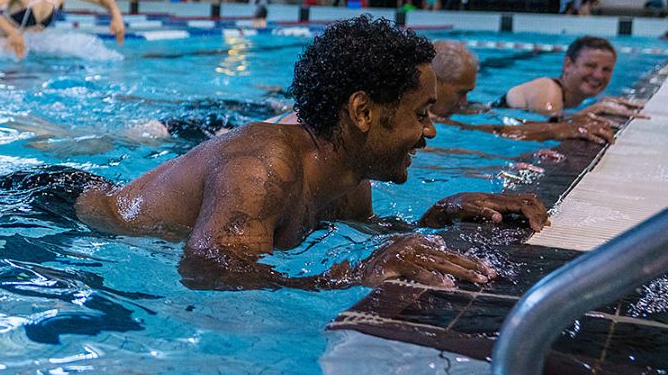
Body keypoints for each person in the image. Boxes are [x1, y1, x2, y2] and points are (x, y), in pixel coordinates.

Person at [71, 17, 547, 289]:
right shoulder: (263, 170)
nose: (430, 131)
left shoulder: (349, 178)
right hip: (60, 212)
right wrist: (354, 274)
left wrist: (439, 215)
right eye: (422, 113)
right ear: (362, 111)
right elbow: (208, 268)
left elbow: (364, 232)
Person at [428, 40, 613, 144]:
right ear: (433, 82)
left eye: (606, 69)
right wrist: (561, 129)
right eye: (461, 93)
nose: (463, 101)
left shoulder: (462, 109)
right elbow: (486, 131)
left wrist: (573, 121)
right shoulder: (549, 90)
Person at [497, 36, 641, 120]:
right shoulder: (547, 89)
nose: (598, 75)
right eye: (590, 66)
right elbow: (545, 128)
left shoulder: (574, 97)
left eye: (606, 69)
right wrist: (590, 112)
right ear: (568, 65)